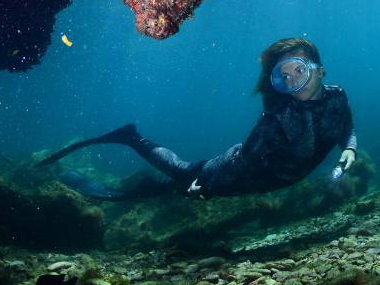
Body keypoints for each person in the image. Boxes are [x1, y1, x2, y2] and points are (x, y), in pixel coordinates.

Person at [36, 37, 357, 199]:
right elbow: (245, 160)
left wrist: (349, 150)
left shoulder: (338, 95)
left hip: (259, 183)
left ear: (321, 70)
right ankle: (132, 138)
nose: (291, 82)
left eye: (299, 71)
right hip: (232, 175)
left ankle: (147, 173)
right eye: (282, 76)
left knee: (172, 184)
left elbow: (346, 130)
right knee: (181, 174)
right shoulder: (278, 117)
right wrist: (205, 186)